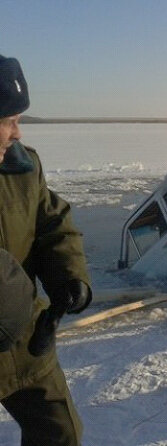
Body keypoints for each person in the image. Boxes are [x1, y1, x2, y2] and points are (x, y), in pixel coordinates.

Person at [1, 54, 92, 445]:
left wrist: (69, 278)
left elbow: (53, 226)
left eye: (19, 121)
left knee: (60, 434)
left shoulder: (23, 168)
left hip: (26, 339)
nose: (17, 133)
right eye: (7, 121)